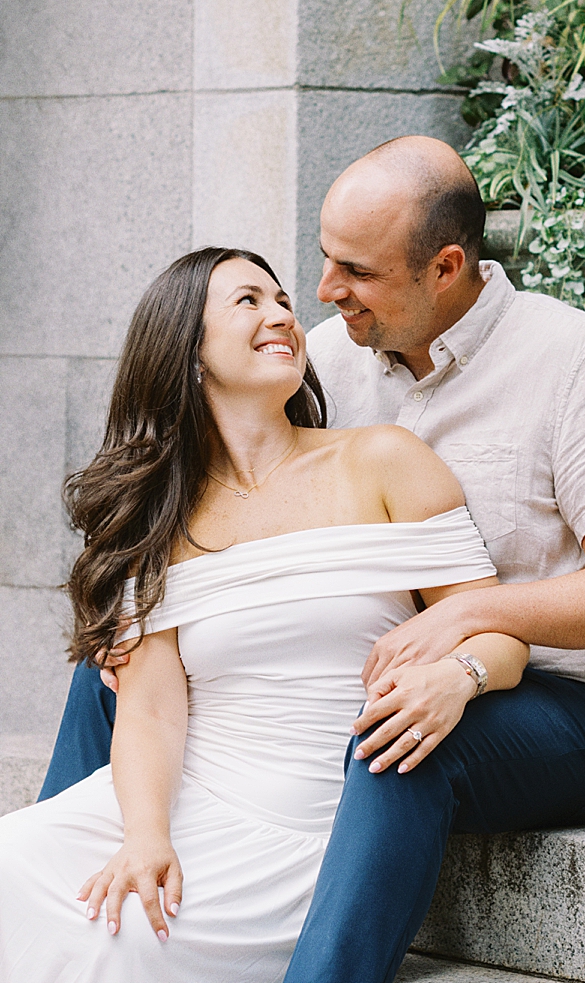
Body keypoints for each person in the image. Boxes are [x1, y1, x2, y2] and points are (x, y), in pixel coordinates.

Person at [36, 136, 585, 983]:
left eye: (357, 269)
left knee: (397, 740)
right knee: (118, 665)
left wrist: (470, 620)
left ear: (445, 267)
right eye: (321, 259)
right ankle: (78, 899)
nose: (323, 290)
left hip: (574, 703)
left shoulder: (571, 361)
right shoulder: (328, 354)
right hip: (375, 674)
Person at [0, 247, 529, 980]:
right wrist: (147, 836)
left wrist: (460, 676)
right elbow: (150, 713)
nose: (282, 313)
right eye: (248, 301)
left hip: (303, 830)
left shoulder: (382, 461)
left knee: (111, 943)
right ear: (188, 351)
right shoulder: (159, 516)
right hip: (181, 799)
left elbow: (498, 629)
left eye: (282, 300)